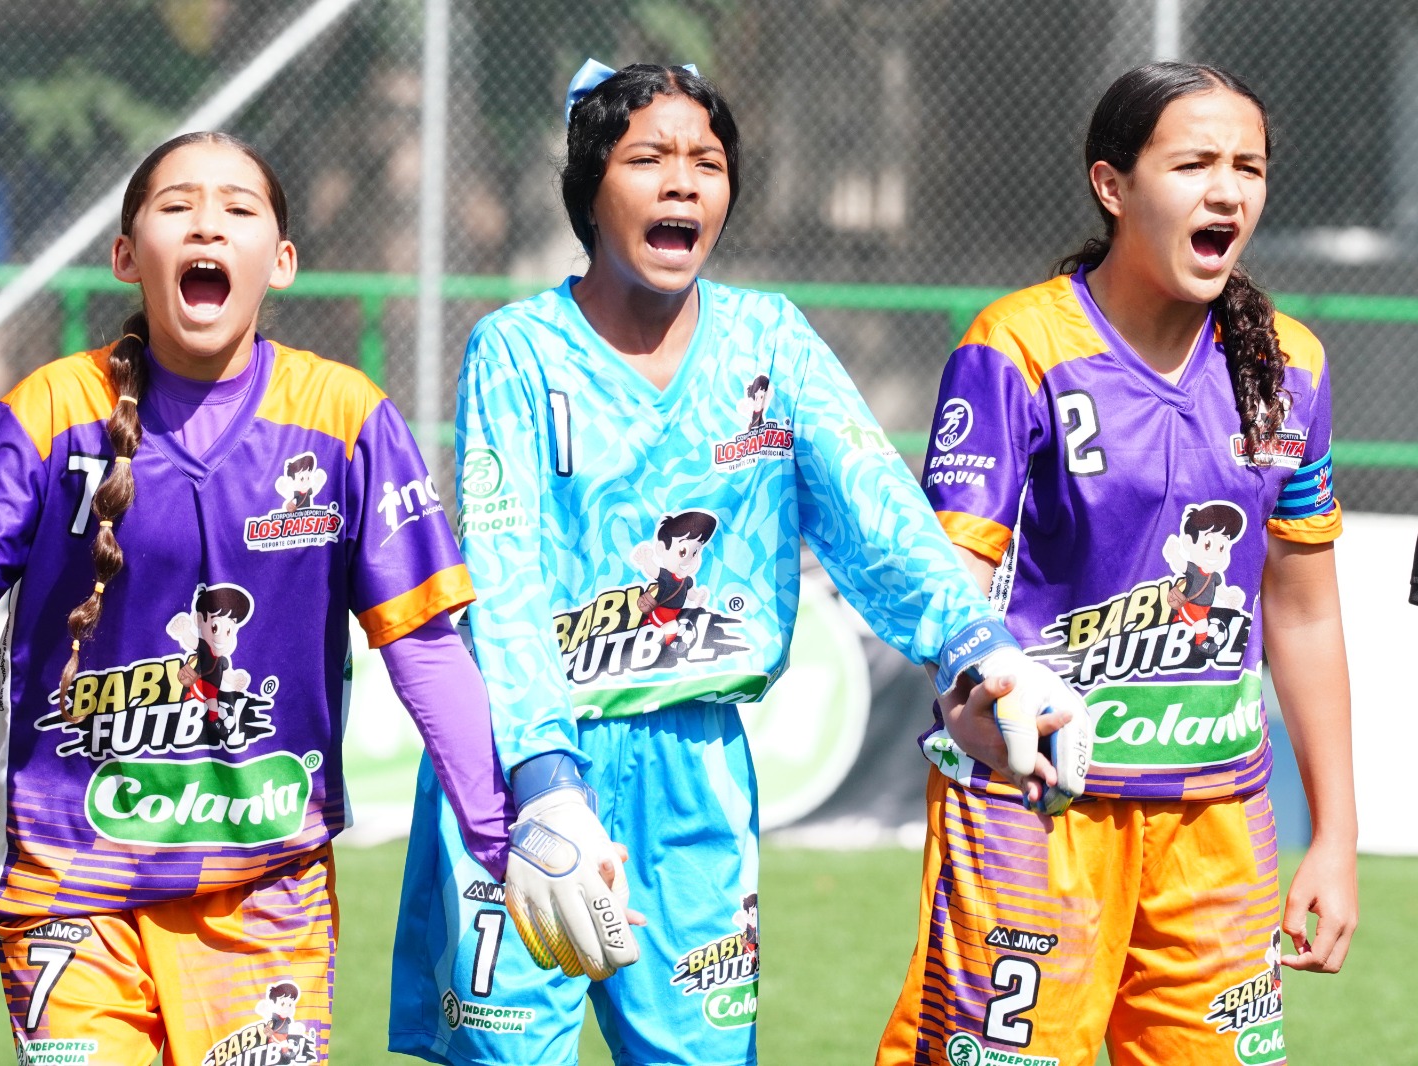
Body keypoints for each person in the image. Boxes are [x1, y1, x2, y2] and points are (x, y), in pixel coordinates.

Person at [390, 61, 1083, 1066]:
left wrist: (980, 649)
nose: (682, 183)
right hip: (524, 780)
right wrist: (542, 784)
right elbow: (506, 571)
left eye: (706, 163)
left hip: (695, 779)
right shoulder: (516, 350)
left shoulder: (772, 342)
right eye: (648, 159)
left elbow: (877, 512)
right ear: (591, 187)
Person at [0, 130, 510, 1066]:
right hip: (67, 886)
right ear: (128, 256)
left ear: (280, 262)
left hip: (266, 893)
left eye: (240, 208)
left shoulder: (345, 418)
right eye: (177, 205)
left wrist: (501, 834)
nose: (208, 221)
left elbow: (427, 646)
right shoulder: (51, 411)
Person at [878, 62, 1357, 1066]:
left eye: (1249, 168)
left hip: (1219, 825)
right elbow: (949, 588)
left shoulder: (1292, 366)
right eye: (1193, 164)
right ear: (1111, 185)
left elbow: (1303, 612)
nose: (1228, 191)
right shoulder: (1015, 345)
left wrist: (1335, 834)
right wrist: (975, 693)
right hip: (1031, 806)